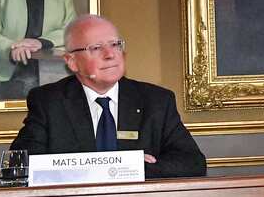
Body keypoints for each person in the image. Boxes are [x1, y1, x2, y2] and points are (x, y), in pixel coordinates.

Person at [11, 14, 207, 179]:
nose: (110, 54)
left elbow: (192, 163)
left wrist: (135, 169)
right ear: (72, 62)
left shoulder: (156, 100)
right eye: (96, 48)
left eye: (115, 45)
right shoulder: (49, 102)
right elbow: (19, 167)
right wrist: (112, 167)